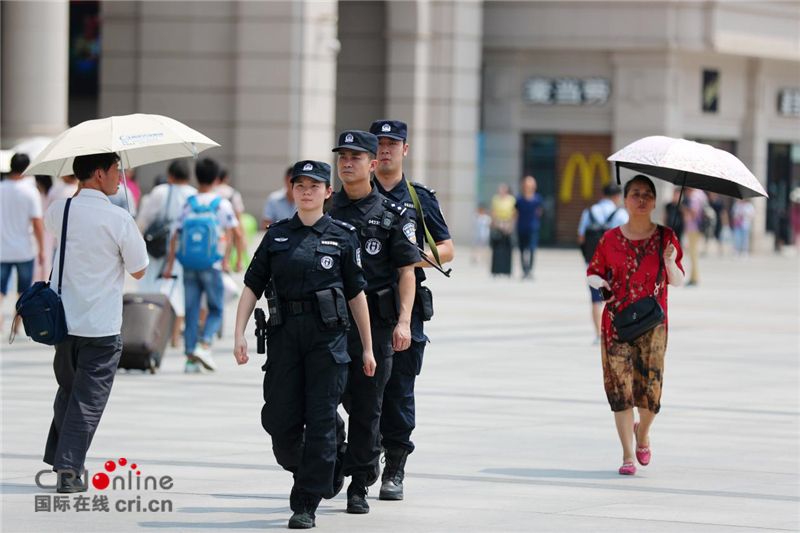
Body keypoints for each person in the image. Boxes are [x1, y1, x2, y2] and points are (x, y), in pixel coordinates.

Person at [233, 160, 375, 529]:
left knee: (321, 417)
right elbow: (252, 285)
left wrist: (369, 348)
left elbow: (357, 294)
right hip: (284, 337)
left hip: (327, 339)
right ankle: (330, 457)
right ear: (292, 190)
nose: (307, 191)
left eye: (315, 186)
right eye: (300, 185)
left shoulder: (343, 236)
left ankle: (305, 502)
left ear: (328, 192)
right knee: (280, 421)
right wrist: (239, 334)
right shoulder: (277, 235)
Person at [43, 152, 148, 492]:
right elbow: (139, 268)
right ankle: (68, 471)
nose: (121, 177)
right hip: (101, 326)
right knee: (88, 400)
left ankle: (59, 457)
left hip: (63, 322)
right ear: (99, 174)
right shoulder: (117, 218)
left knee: (69, 390)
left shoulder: (60, 210)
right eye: (117, 170)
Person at [327, 129, 420, 514]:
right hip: (330, 326)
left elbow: (406, 272)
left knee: (368, 407)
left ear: (372, 163)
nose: (347, 164)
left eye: (355, 157)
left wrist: (404, 322)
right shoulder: (326, 210)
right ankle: (333, 455)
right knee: (320, 401)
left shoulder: (393, 215)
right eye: (342, 157)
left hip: (378, 327)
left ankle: (359, 484)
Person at [369, 119, 454, 502]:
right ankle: (361, 455)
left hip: (405, 305)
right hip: (359, 304)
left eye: (393, 144)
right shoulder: (355, 194)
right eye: (380, 144)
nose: (386, 150)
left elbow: (447, 249)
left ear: (405, 150)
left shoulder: (419, 197)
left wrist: (409, 260)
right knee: (354, 386)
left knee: (399, 388)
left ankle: (395, 468)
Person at [586, 174, 684, 476]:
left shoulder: (667, 237)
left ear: (654, 202)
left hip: (653, 326)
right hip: (616, 323)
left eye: (647, 195)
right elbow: (592, 273)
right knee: (620, 390)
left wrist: (669, 262)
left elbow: (678, 280)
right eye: (635, 194)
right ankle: (628, 454)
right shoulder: (609, 239)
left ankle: (643, 432)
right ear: (625, 200)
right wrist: (604, 288)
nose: (641, 199)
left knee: (651, 395)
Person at [163, 158, 238, 373]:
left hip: (188, 264)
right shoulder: (221, 203)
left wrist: (170, 265)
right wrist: (226, 260)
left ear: (196, 177)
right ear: (216, 178)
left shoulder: (188, 203)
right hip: (212, 264)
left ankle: (189, 358)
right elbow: (231, 232)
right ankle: (204, 344)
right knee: (216, 308)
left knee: (191, 309)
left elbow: (175, 235)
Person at [136, 159, 197, 348]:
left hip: (158, 249)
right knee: (178, 290)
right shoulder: (193, 195)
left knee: (151, 289)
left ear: (170, 175)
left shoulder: (160, 192)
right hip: (184, 251)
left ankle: (150, 330)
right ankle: (176, 335)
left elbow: (143, 221)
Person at [577, 184, 628, 342]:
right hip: (615, 265)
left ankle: (599, 334)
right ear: (617, 197)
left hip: (594, 265)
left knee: (596, 300)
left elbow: (581, 237)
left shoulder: (589, 212)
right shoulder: (621, 214)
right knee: (616, 299)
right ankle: (614, 332)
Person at [1, 153, 45, 333]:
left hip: (2, 249)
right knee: (23, 292)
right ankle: (16, 326)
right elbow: (36, 222)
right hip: (24, 249)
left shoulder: (1, 187)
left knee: (1, 291)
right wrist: (42, 249)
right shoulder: (30, 191)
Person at [214, 166, 247, 272]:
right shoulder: (233, 194)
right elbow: (238, 222)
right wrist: (239, 259)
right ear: (226, 178)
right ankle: (226, 262)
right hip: (227, 239)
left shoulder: (210, 193)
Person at [515, 175, 544, 279]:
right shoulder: (519, 199)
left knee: (532, 249)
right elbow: (516, 212)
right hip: (521, 226)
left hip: (533, 227)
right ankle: (524, 270)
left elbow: (539, 211)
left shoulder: (537, 199)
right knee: (522, 249)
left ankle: (530, 270)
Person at [683, 188, 708, 285]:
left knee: (692, 253)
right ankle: (694, 276)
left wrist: (685, 210)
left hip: (693, 228)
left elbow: (694, 212)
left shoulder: (694, 197)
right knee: (693, 253)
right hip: (699, 228)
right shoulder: (701, 194)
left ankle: (694, 277)